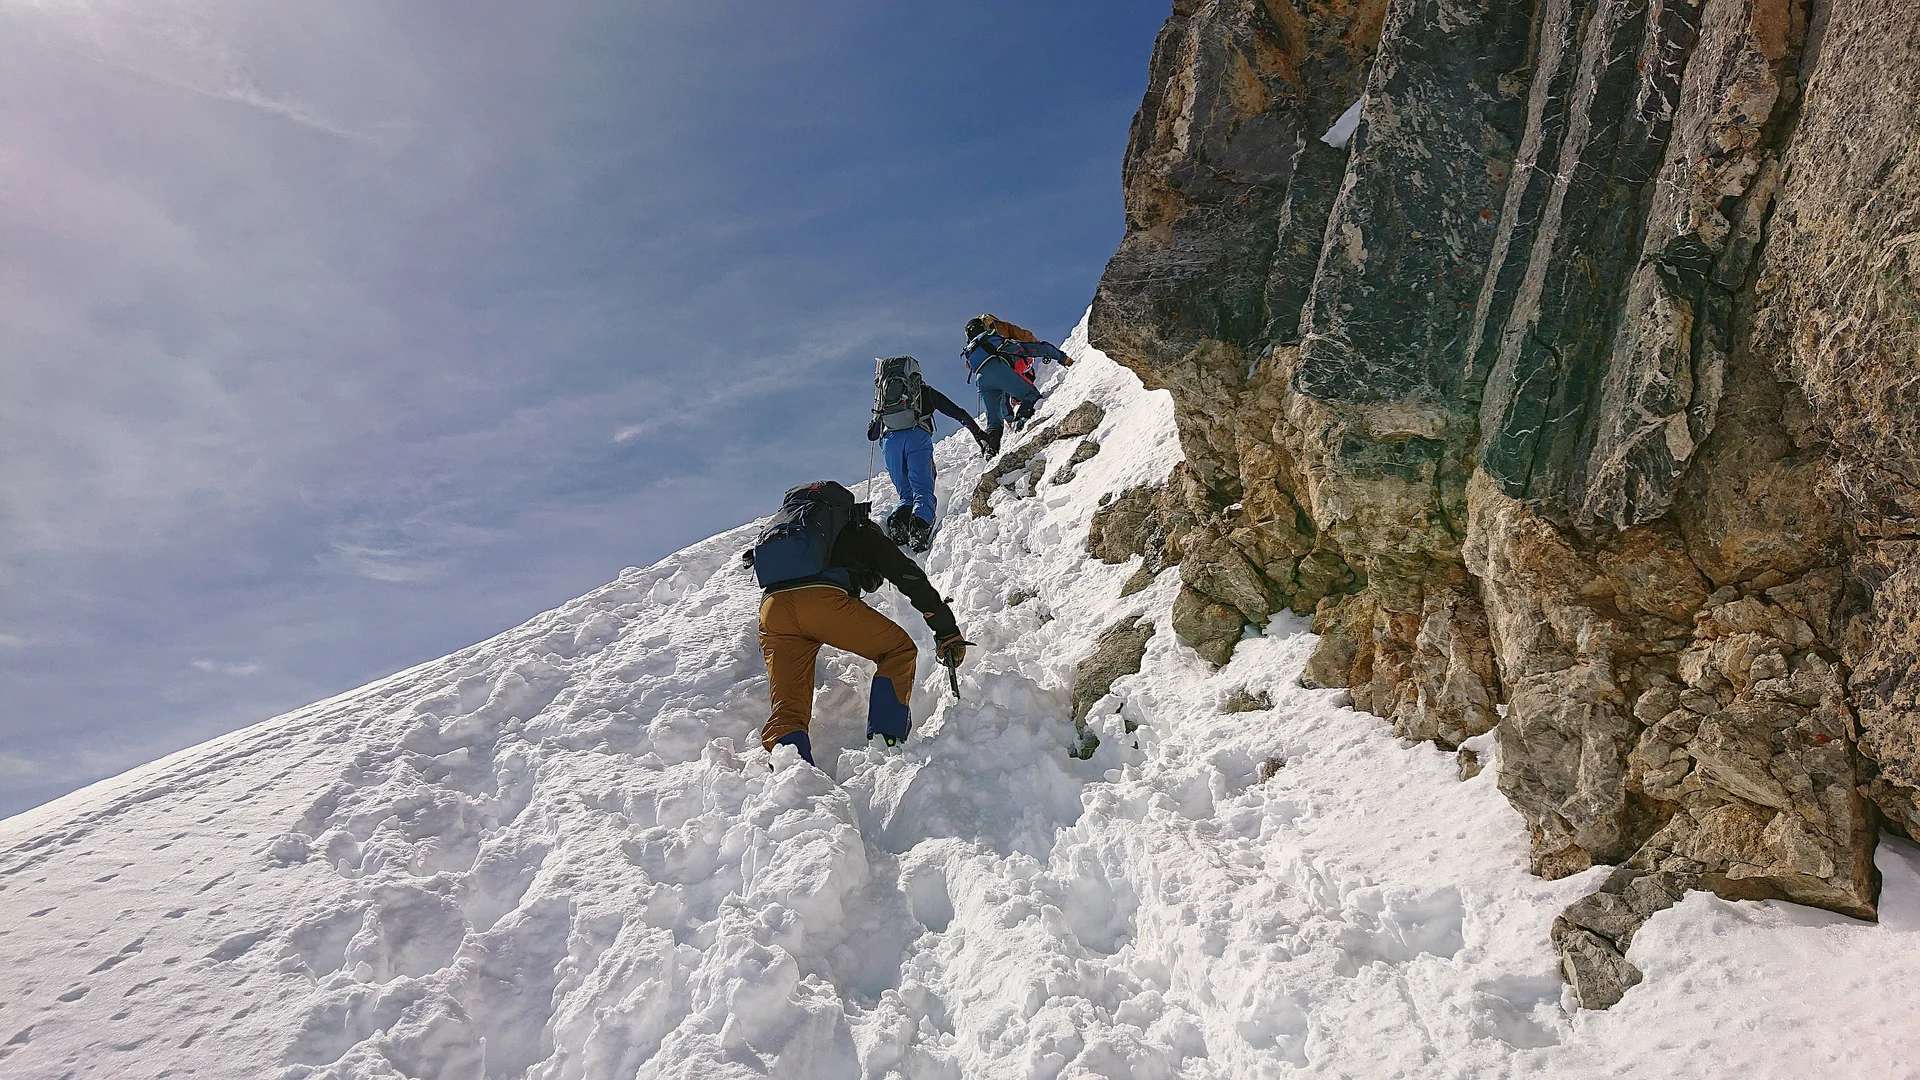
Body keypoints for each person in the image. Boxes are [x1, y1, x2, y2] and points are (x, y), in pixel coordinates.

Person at [746, 480, 968, 766]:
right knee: (897, 651)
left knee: (788, 706)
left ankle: (790, 771)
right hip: (824, 601)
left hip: (773, 610)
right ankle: (886, 740)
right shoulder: (859, 528)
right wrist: (946, 630)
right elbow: (907, 577)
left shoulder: (794, 534)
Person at [867, 355, 991, 553]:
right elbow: (956, 412)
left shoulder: (885, 398)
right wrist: (978, 433)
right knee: (922, 489)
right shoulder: (923, 392)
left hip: (890, 442)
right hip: (917, 436)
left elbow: (871, 435)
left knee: (905, 494)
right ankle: (919, 528)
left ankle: (899, 524)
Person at [962, 315, 1074, 454]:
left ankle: (990, 451)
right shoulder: (991, 339)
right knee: (1031, 395)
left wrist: (1008, 417)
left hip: (981, 381)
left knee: (994, 423)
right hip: (999, 370)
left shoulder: (972, 350)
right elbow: (1025, 349)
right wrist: (1061, 357)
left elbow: (1002, 402)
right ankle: (1022, 419)